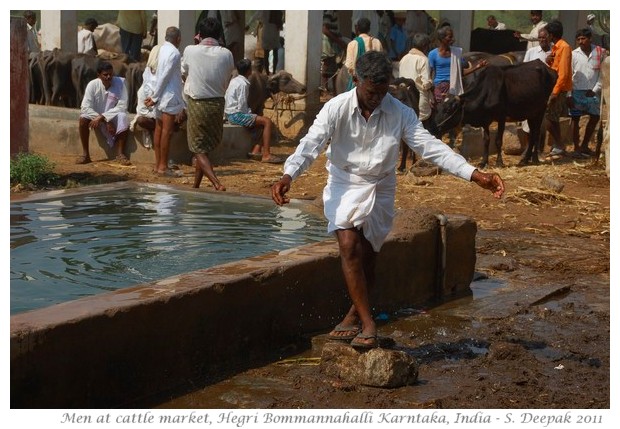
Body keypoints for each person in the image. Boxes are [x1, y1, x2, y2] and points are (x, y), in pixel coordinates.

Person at [271, 51, 504, 349]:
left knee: (368, 255)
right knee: (348, 246)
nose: (377, 99)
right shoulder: (335, 108)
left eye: (382, 92)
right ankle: (369, 323)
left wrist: (474, 174)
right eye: (371, 92)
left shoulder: (400, 113)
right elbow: (310, 144)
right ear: (356, 81)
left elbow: (431, 148)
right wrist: (288, 175)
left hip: (381, 185)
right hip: (344, 181)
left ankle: (355, 314)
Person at [181, 17, 234, 191]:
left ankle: (216, 183)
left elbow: (183, 72)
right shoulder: (226, 53)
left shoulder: (191, 50)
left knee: (197, 149)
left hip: (197, 103)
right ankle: (195, 186)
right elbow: (228, 77)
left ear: (199, 35)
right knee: (204, 148)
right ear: (219, 35)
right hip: (218, 103)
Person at [428, 25, 486, 146]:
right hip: (439, 89)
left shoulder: (457, 53)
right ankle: (438, 144)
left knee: (454, 115)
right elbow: (429, 74)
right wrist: (431, 92)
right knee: (440, 116)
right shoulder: (433, 54)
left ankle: (452, 142)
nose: (452, 38)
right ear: (442, 38)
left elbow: (461, 73)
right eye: (450, 36)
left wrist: (477, 67)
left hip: (453, 88)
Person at [225, 59, 284, 164]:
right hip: (236, 115)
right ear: (249, 71)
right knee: (267, 122)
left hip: (230, 113)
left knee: (262, 123)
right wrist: (251, 115)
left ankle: (256, 151)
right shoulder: (243, 84)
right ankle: (266, 154)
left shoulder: (235, 80)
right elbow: (242, 104)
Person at [144, 27, 186, 176]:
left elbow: (160, 75)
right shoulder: (174, 53)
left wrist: (155, 95)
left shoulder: (161, 49)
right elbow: (165, 76)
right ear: (178, 39)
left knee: (159, 130)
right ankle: (163, 167)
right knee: (166, 132)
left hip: (161, 95)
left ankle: (158, 165)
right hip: (168, 96)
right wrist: (155, 97)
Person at [77, 61, 131, 166]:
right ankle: (86, 155)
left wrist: (104, 117)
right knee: (83, 119)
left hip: (112, 115)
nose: (109, 77)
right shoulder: (92, 85)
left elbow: (122, 106)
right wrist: (104, 120)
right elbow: (85, 107)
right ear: (99, 75)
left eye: (111, 74)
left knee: (123, 116)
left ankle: (120, 154)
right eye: (105, 75)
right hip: (96, 115)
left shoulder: (121, 83)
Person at [568, 28, 606, 157]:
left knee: (595, 117)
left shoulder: (600, 52)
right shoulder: (573, 54)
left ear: (590, 39)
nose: (580, 41)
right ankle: (576, 148)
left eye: (583, 39)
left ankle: (584, 145)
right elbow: (569, 75)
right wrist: (569, 94)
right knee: (575, 119)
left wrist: (595, 89)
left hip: (593, 92)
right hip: (576, 91)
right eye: (578, 39)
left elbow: (603, 73)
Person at [543, 20, 572, 162]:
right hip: (554, 87)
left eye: (547, 34)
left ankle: (559, 144)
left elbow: (564, 73)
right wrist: (549, 61)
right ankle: (558, 145)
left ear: (552, 35)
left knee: (549, 117)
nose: (545, 37)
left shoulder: (565, 47)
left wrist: (555, 92)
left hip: (559, 88)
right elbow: (555, 67)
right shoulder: (556, 48)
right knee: (551, 117)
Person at [521, 27, 552, 149]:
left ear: (549, 37)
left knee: (542, 122)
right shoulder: (531, 52)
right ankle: (527, 148)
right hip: (531, 92)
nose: (542, 40)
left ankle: (539, 150)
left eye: (544, 37)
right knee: (526, 123)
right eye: (540, 37)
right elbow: (523, 70)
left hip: (546, 93)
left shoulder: (555, 52)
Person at [399, 33, 433, 125]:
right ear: (424, 46)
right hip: (418, 100)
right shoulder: (423, 60)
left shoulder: (404, 58)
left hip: (403, 100)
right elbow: (426, 84)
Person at [344, 17, 383, 90]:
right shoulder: (377, 42)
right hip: (375, 82)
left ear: (357, 28)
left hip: (359, 84)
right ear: (369, 29)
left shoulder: (353, 44)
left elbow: (349, 66)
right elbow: (381, 63)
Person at [247, 11, 283, 75]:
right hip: (275, 31)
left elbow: (254, 16)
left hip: (266, 31)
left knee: (266, 54)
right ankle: (274, 71)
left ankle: (267, 72)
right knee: (275, 52)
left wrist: (248, 25)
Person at [320, 11, 348, 94]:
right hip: (328, 43)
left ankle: (332, 92)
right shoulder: (330, 10)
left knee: (333, 68)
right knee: (328, 66)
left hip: (332, 42)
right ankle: (325, 91)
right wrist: (339, 41)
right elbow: (324, 29)